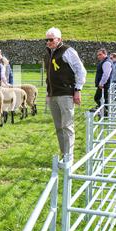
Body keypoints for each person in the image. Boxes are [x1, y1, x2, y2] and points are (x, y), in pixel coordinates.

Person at [44, 27, 86, 167]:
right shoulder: (48, 54)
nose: (48, 42)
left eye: (51, 39)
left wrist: (78, 89)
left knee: (67, 126)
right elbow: (49, 76)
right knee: (58, 127)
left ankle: (69, 158)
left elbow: (80, 70)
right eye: (46, 39)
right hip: (53, 94)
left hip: (66, 93)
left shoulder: (68, 51)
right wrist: (48, 93)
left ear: (59, 39)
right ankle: (64, 155)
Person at [94, 48, 112, 117]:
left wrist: (101, 83)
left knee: (97, 98)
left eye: (100, 54)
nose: (98, 56)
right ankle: (104, 111)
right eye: (98, 55)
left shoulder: (106, 62)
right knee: (104, 99)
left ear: (105, 54)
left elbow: (106, 74)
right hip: (104, 84)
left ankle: (105, 112)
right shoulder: (104, 61)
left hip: (103, 85)